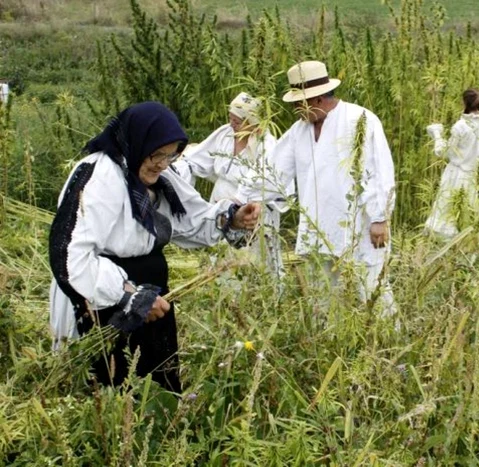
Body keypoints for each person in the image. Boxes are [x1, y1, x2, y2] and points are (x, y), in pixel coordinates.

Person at [48, 101, 260, 393]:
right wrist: (130, 296)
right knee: (108, 389)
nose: (163, 163)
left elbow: (192, 219)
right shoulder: (98, 176)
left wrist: (232, 218)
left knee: (155, 389)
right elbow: (69, 257)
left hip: (150, 295)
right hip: (100, 298)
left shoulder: (159, 177)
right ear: (137, 142)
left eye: (171, 155)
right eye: (157, 154)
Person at [244, 60, 396, 316]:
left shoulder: (360, 119)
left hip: (358, 226)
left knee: (373, 291)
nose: (296, 110)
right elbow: (274, 171)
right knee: (324, 299)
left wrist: (379, 218)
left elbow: (378, 170)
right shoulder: (298, 132)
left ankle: (390, 343)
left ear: (317, 99)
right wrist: (244, 197)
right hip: (317, 228)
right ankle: (333, 345)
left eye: (298, 104)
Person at [173, 92, 292, 278]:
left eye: (237, 121)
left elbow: (270, 182)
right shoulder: (225, 134)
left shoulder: (267, 145)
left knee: (253, 266)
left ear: (252, 122)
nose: (232, 124)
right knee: (221, 261)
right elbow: (197, 158)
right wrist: (176, 173)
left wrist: (240, 202)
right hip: (220, 205)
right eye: (231, 118)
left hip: (252, 212)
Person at [425, 89, 479, 239]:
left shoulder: (461, 126)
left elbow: (445, 152)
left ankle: (446, 248)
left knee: (446, 213)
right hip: (474, 175)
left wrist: (437, 135)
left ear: (464, 103)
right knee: (470, 214)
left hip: (456, 174)